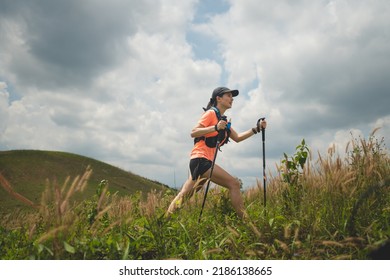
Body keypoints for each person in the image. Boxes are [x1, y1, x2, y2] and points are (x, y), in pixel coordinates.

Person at [166, 86, 267, 219]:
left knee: (184, 195)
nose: (232, 99)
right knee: (234, 184)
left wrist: (257, 128)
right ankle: (247, 222)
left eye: (232, 97)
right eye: (229, 96)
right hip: (201, 159)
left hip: (200, 161)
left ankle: (163, 222)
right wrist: (215, 127)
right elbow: (193, 132)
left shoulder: (223, 119)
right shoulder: (211, 114)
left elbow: (237, 138)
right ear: (218, 98)